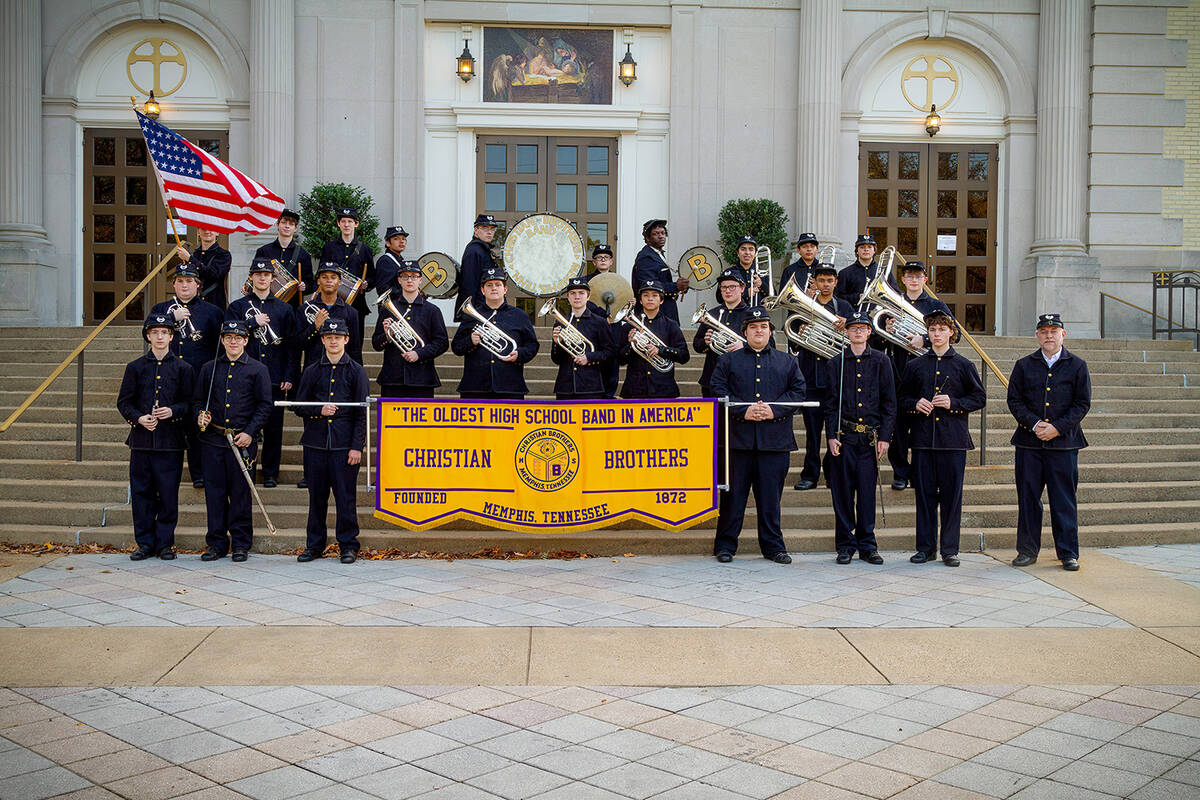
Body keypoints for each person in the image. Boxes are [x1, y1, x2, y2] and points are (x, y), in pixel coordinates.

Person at [710, 307, 806, 564]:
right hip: (737, 442)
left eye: (764, 326)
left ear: (771, 331)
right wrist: (743, 411)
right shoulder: (727, 361)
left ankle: (774, 548)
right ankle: (725, 546)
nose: (759, 331)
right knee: (732, 498)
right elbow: (716, 390)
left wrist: (773, 410)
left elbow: (798, 392)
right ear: (745, 332)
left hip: (774, 443)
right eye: (753, 327)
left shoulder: (788, 361)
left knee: (770, 500)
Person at [899, 311, 986, 566]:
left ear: (951, 333)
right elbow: (902, 398)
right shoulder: (915, 365)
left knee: (951, 498)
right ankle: (925, 549)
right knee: (924, 497)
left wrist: (953, 403)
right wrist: (915, 404)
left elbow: (979, 398)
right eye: (932, 330)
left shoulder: (964, 365)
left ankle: (949, 550)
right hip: (923, 441)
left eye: (941, 330)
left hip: (953, 442)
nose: (936, 334)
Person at [1008, 313, 1092, 571]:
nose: (1049, 336)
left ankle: (1068, 553)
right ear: (1037, 335)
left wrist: (1057, 428)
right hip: (1029, 444)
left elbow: (1082, 404)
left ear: (1063, 334)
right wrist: (1035, 425)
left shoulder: (1077, 365)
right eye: (1044, 331)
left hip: (1064, 445)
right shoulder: (1023, 365)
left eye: (1053, 331)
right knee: (1028, 500)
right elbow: (1014, 401)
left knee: (1063, 500)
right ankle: (1027, 550)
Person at [117, 314, 195, 560]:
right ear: (148, 336)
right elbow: (124, 402)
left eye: (164, 333)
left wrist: (173, 411)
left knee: (168, 494)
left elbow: (190, 403)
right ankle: (145, 543)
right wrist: (138, 418)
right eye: (155, 333)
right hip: (141, 442)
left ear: (171, 337)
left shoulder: (184, 369)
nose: (159, 337)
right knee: (142, 494)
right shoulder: (135, 367)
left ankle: (165, 544)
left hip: (170, 443)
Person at [193, 320, 272, 562]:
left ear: (246, 340)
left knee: (240, 495)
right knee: (214, 494)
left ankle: (240, 544)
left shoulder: (258, 369)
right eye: (228, 337)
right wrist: (200, 414)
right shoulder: (209, 368)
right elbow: (197, 401)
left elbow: (264, 405)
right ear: (222, 340)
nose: (233, 341)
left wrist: (250, 432)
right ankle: (217, 543)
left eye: (238, 337)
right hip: (213, 440)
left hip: (242, 441)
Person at [294, 318, 369, 564]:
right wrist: (319, 410)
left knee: (346, 498)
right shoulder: (312, 370)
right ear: (323, 340)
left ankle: (348, 545)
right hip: (315, 444)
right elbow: (299, 406)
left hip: (344, 446)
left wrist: (357, 447)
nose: (333, 341)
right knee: (316, 498)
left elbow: (362, 413)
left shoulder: (357, 371)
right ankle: (314, 545)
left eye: (337, 337)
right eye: (328, 337)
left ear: (346, 339)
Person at [824, 312, 895, 565]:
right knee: (842, 494)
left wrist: (885, 437)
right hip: (845, 437)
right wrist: (830, 435)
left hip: (869, 440)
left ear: (869, 332)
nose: (857, 332)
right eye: (853, 328)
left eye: (862, 328)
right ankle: (845, 545)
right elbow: (830, 404)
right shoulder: (836, 363)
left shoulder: (882, 361)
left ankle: (867, 545)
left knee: (866, 494)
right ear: (846, 332)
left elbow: (889, 403)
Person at [226, 258, 299, 488]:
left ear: (272, 278)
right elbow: (228, 336)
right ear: (251, 277)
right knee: (246, 425)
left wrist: (289, 375)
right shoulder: (238, 307)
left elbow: (291, 346)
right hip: (244, 376)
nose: (262, 278)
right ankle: (246, 469)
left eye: (266, 275)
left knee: (273, 428)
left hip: (274, 376)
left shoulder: (284, 309)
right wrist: (250, 323)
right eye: (258, 274)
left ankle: (270, 473)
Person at [150, 264, 223, 488]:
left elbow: (219, 347)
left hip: (198, 378)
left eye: (189, 281)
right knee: (168, 428)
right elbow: (148, 332)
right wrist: (171, 318)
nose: (184, 285)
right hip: (169, 377)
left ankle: (198, 474)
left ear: (198, 285)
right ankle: (164, 476)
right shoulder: (161, 309)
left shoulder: (212, 312)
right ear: (173, 285)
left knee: (196, 427)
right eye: (180, 281)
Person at [885, 260, 951, 490]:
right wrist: (888, 330)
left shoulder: (936, 305)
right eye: (909, 276)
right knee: (898, 427)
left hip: (927, 372)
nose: (914, 280)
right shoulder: (893, 303)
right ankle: (901, 473)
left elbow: (956, 334)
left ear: (925, 279)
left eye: (918, 276)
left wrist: (924, 339)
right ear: (903, 280)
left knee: (924, 427)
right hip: (899, 370)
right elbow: (876, 336)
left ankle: (922, 473)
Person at [793, 263, 853, 490]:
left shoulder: (845, 307)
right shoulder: (804, 306)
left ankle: (831, 473)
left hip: (837, 379)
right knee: (812, 433)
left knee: (835, 431)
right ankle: (810, 474)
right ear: (815, 283)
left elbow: (859, 337)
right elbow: (792, 340)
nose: (825, 285)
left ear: (835, 283)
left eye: (829, 281)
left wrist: (848, 325)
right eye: (821, 281)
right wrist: (801, 332)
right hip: (810, 377)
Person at [451, 267, 539, 399]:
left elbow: (532, 345)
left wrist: (519, 354)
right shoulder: (470, 316)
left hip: (510, 387)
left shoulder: (519, 316)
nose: (494, 288)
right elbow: (456, 347)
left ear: (505, 289)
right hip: (475, 388)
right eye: (489, 285)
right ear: (483, 290)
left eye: (498, 285)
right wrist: (470, 341)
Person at [372, 260, 448, 399]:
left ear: (420, 280)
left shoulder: (432, 310)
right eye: (405, 276)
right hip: (392, 378)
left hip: (422, 379)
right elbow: (376, 344)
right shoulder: (387, 309)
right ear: (399, 280)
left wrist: (419, 353)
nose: (409, 280)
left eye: (414, 276)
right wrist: (388, 335)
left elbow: (442, 343)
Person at [618, 281, 690, 399]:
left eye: (654, 295)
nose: (650, 298)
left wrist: (660, 350)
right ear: (640, 300)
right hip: (635, 389)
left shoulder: (671, 325)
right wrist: (631, 345)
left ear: (661, 300)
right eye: (646, 295)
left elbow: (684, 356)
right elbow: (620, 360)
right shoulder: (628, 326)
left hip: (663, 389)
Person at [550, 277, 615, 400]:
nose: (577, 297)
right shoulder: (560, 324)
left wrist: (589, 358)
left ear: (588, 297)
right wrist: (557, 342)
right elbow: (556, 359)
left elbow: (610, 352)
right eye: (572, 293)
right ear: (568, 297)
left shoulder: (599, 322)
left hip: (591, 387)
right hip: (565, 388)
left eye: (581, 293)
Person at [319, 207, 374, 348]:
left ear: (356, 224)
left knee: (355, 343)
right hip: (333, 301)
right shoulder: (329, 247)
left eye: (350, 221)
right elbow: (320, 273)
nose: (346, 225)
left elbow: (372, 276)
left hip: (357, 303)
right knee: (332, 340)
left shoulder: (365, 249)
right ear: (338, 224)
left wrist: (366, 284)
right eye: (343, 221)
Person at [694, 269, 749, 398]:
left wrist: (745, 345)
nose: (727, 291)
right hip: (712, 378)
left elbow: (769, 343)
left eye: (732, 287)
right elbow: (697, 345)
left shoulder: (751, 314)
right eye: (724, 287)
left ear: (742, 288)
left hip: (741, 379)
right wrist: (706, 343)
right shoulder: (711, 314)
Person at [300, 262, 362, 368]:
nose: (329, 281)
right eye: (324, 277)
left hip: (342, 371)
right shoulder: (304, 309)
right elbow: (297, 345)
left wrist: (358, 374)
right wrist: (315, 327)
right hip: (313, 371)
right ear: (318, 281)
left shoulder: (351, 312)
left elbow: (355, 350)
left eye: (333, 277)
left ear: (340, 282)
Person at [253, 208, 312, 310]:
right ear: (277, 225)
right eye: (284, 222)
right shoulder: (263, 251)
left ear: (295, 228)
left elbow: (311, 283)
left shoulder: (303, 254)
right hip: (267, 304)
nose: (287, 226)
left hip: (293, 306)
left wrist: (305, 286)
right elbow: (254, 276)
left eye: (291, 224)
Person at [632, 219, 688, 323]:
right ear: (647, 238)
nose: (661, 236)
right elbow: (649, 286)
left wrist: (680, 287)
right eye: (656, 234)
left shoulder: (657, 253)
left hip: (664, 311)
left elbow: (661, 281)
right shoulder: (646, 257)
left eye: (663, 233)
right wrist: (676, 286)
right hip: (655, 315)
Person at [586, 243, 622, 397]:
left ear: (611, 261)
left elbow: (623, 299)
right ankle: (594, 393)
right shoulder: (586, 281)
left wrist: (630, 303)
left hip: (614, 326)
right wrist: (602, 314)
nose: (603, 260)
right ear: (594, 262)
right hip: (593, 325)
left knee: (612, 358)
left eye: (606, 257)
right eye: (599, 257)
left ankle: (609, 395)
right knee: (595, 356)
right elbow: (585, 302)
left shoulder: (619, 281)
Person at [455, 214, 499, 321]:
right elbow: (469, 284)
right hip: (479, 310)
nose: (489, 232)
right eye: (485, 228)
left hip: (485, 307)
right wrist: (473, 314)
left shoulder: (483, 249)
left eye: (492, 229)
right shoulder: (474, 250)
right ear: (476, 230)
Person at [175, 227, 231, 309]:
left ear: (217, 232)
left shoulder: (224, 254)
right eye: (203, 229)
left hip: (214, 303)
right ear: (198, 232)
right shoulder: (195, 254)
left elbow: (214, 274)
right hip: (193, 303)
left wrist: (190, 259)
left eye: (211, 228)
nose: (207, 231)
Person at [835, 233, 894, 307]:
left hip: (879, 312)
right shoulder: (845, 273)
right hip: (853, 312)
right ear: (857, 251)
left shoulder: (884, 272)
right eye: (862, 247)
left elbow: (894, 292)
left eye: (869, 247)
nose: (866, 249)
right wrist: (857, 297)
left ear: (874, 251)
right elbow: (838, 297)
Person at [778, 232, 821, 298]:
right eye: (804, 247)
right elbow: (782, 297)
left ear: (817, 249)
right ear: (798, 250)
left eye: (812, 246)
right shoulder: (789, 270)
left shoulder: (823, 269)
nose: (809, 249)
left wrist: (820, 287)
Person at [731, 234, 770, 305]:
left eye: (751, 249)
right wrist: (746, 293)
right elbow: (720, 298)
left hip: (759, 312)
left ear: (755, 253)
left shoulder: (762, 273)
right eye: (743, 249)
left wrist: (761, 285)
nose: (747, 253)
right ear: (738, 253)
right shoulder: (730, 273)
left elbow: (773, 298)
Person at [373, 225, 410, 299]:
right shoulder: (385, 261)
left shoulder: (400, 260)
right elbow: (383, 289)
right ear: (388, 243)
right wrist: (406, 293)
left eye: (403, 239)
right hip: (393, 304)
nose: (401, 241)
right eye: (396, 239)